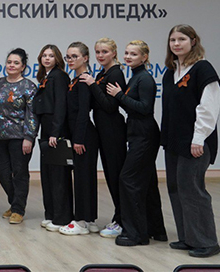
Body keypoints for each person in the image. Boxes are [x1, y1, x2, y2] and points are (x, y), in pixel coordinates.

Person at [161, 25, 220, 257]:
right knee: (176, 188)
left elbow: (208, 107)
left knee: (192, 189)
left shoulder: (203, 69)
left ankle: (207, 242)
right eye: (173, 40)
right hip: (174, 141)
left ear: (193, 41)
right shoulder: (170, 72)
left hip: (196, 142)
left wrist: (199, 138)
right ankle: (188, 237)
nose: (176, 44)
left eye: (182, 39)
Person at [106, 40, 167, 246]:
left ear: (144, 57)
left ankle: (136, 234)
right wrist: (121, 97)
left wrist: (119, 96)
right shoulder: (135, 78)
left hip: (144, 134)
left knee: (128, 179)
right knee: (147, 182)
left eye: (133, 54)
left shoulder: (145, 79)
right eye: (126, 53)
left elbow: (145, 108)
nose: (128, 57)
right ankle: (155, 229)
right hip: (136, 133)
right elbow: (132, 107)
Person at [79, 38, 127, 238]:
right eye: (98, 52)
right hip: (103, 131)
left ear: (114, 53)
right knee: (110, 176)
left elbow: (110, 106)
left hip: (113, 131)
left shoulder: (115, 73)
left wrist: (92, 85)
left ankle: (122, 220)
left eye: (104, 52)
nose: (100, 55)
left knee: (116, 177)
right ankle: (119, 217)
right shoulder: (101, 74)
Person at [0, 48, 38, 225]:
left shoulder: (29, 86)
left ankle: (18, 209)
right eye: (9, 62)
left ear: (23, 66)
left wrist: (29, 137)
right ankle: (15, 202)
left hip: (20, 137)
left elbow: (32, 114)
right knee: (2, 172)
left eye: (16, 63)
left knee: (19, 173)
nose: (11, 65)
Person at [60, 42, 99, 236]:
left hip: (83, 136)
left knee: (84, 179)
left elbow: (83, 112)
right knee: (84, 177)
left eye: (74, 56)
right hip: (78, 135)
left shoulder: (84, 80)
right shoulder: (74, 80)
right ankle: (90, 220)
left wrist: (79, 139)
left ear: (85, 58)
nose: (70, 60)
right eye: (68, 57)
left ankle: (82, 221)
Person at [33, 45, 73, 232]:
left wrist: (55, 133)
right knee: (47, 174)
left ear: (57, 58)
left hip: (55, 130)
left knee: (58, 176)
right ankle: (51, 214)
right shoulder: (45, 77)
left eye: (51, 55)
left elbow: (60, 105)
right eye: (44, 55)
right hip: (46, 129)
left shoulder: (60, 76)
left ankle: (61, 217)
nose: (47, 58)